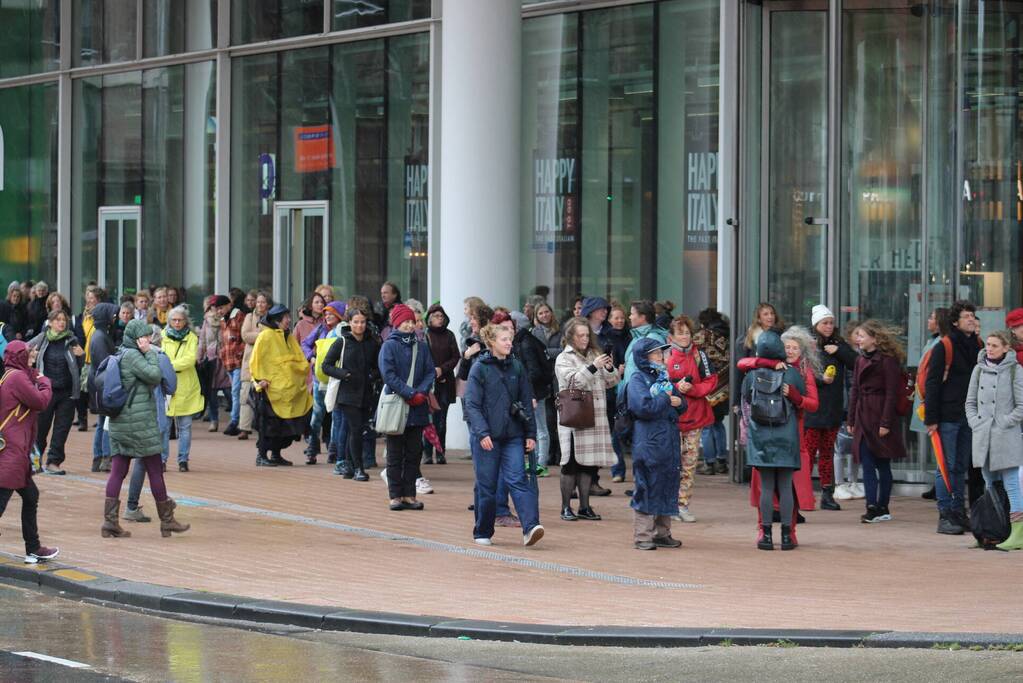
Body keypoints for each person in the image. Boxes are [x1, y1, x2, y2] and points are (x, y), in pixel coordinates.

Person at [102, 319, 190, 539]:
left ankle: (110, 523)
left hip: (122, 422)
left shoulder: (123, 352)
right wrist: (149, 352)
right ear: (137, 338)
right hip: (139, 424)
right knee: (154, 470)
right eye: (146, 336)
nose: (150, 340)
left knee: (119, 471)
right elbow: (154, 375)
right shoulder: (133, 355)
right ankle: (167, 521)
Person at [463, 323, 544, 547]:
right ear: (491, 343)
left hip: (513, 435)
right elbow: (472, 405)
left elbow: (526, 402)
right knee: (486, 486)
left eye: (510, 339)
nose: (509, 343)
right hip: (486, 437)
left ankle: (531, 527)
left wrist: (530, 434)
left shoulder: (517, 367)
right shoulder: (479, 368)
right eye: (504, 339)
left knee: (518, 479)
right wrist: (482, 433)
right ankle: (483, 530)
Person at [740, 330, 805, 550]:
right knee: (785, 486)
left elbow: (747, 397)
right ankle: (787, 536)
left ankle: (765, 535)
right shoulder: (792, 373)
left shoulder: (751, 374)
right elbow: (801, 399)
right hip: (786, 434)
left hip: (761, 435)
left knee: (766, 488)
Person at [924, 300, 982, 535]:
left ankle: (959, 512)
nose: (972, 319)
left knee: (959, 466)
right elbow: (933, 383)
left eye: (973, 316)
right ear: (956, 321)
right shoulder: (944, 346)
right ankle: (945, 514)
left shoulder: (977, 344)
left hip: (968, 416)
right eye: (967, 316)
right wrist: (931, 418)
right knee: (945, 467)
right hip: (946, 416)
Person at [555, 317, 621, 521]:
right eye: (580, 335)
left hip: (595, 417)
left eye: (587, 335)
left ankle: (585, 507)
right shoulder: (563, 358)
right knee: (570, 465)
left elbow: (611, 383)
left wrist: (609, 368)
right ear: (570, 337)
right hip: (574, 418)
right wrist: (593, 366)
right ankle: (566, 507)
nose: (584, 339)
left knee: (588, 465)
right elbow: (573, 383)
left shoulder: (594, 353)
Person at [0, 340, 59, 563]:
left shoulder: (12, 374)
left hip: (15, 449)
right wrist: (45, 381)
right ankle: (33, 548)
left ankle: (33, 548)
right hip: (12, 451)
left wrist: (33, 373)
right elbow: (40, 401)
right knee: (2, 498)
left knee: (30, 495)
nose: (33, 355)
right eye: (29, 352)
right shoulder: (16, 378)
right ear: (19, 356)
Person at [966, 330, 1023, 550]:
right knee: (989, 484)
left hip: (1005, 436)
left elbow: (1021, 405)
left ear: (1006, 348)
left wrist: (1005, 422)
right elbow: (969, 402)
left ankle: (1017, 532)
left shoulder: (1015, 372)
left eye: (995, 345)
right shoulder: (978, 370)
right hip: (983, 436)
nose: (989, 348)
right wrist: (975, 422)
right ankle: (990, 530)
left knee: (1010, 484)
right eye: (988, 344)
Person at [626, 337, 684, 550]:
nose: (661, 357)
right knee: (647, 484)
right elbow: (642, 407)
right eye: (656, 353)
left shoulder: (663, 377)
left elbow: (678, 403)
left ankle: (662, 532)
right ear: (644, 357)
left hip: (667, 439)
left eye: (662, 353)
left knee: (667, 482)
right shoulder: (638, 379)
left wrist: (679, 402)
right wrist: (667, 399)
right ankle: (643, 536)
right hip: (649, 440)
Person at [848, 320, 908, 524]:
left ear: (874, 339)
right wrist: (851, 419)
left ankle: (882, 505)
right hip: (863, 414)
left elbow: (892, 393)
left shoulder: (887, 361)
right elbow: (854, 389)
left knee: (883, 463)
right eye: (858, 336)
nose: (858, 339)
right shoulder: (859, 360)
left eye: (862, 336)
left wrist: (885, 422)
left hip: (879, 413)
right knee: (867, 462)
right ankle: (872, 506)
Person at [378, 304, 434, 509]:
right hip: (397, 404)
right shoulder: (389, 346)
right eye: (405, 322)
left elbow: (430, 371)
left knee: (414, 452)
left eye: (412, 321)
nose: (410, 325)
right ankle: (395, 495)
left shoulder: (422, 346)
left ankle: (410, 494)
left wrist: (421, 392)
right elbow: (388, 374)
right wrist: (410, 393)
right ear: (396, 324)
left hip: (417, 407)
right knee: (394, 453)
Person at [806, 305, 859, 511]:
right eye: (824, 323)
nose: (828, 327)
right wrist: (821, 380)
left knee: (827, 452)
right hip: (813, 407)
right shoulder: (808, 344)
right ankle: (804, 492)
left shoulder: (838, 343)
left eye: (831, 323)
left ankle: (827, 493)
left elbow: (856, 362)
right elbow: (803, 373)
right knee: (809, 453)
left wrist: (839, 351)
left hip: (833, 407)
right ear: (816, 324)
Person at [665, 315, 717, 523]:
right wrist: (676, 388)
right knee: (671, 463)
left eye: (687, 333)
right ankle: (668, 505)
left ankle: (682, 505)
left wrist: (694, 389)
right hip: (671, 420)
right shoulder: (664, 356)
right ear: (671, 337)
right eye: (680, 333)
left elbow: (711, 381)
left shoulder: (700, 355)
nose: (685, 337)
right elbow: (656, 384)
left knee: (689, 464)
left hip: (695, 418)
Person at [250, 304, 313, 467]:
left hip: (288, 390)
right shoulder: (266, 336)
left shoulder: (288, 336)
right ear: (278, 319)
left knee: (284, 426)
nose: (289, 320)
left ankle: (276, 454)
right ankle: (262, 455)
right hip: (271, 389)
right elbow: (256, 361)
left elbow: (298, 357)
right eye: (286, 317)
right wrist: (258, 381)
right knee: (269, 425)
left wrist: (302, 369)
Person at [323, 307, 378, 481]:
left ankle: (348, 465)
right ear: (349, 323)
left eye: (362, 322)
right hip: (347, 394)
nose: (360, 325)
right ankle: (358, 468)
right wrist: (344, 374)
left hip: (366, 393)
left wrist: (372, 376)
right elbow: (326, 365)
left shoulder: (372, 343)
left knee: (356, 429)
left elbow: (380, 367)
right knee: (355, 429)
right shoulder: (342, 342)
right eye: (356, 322)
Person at [28, 310, 84, 475]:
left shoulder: (71, 340)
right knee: (40, 428)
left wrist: (81, 355)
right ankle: (34, 461)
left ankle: (54, 462)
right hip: (45, 392)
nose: (61, 323)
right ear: (50, 322)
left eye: (64, 320)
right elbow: (22, 351)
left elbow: (79, 363)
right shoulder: (42, 338)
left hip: (67, 392)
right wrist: (32, 358)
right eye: (58, 320)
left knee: (62, 429)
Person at [910, 307, 949, 501]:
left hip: (931, 399)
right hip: (924, 397)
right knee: (936, 446)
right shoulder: (933, 341)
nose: (928, 320)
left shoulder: (941, 343)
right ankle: (937, 481)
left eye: (932, 317)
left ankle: (940, 483)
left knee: (939, 445)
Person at [301, 300, 345, 464]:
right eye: (325, 313)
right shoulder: (320, 328)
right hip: (320, 378)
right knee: (317, 415)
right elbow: (305, 343)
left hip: (335, 379)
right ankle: (312, 448)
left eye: (330, 313)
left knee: (335, 416)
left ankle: (333, 450)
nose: (326, 316)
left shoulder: (343, 330)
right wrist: (311, 357)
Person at [162, 306, 201, 472]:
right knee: (163, 427)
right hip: (166, 386)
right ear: (169, 321)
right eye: (174, 320)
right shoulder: (162, 337)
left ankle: (183, 460)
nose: (177, 323)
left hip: (186, 387)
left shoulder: (192, 337)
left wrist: (169, 365)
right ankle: (162, 460)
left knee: (185, 427)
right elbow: (158, 357)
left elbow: (190, 359)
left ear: (186, 321)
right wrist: (170, 367)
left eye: (180, 320)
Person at [693, 308, 730, 476]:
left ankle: (709, 463)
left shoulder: (701, 336)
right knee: (718, 423)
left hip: (707, 387)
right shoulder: (727, 334)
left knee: (706, 426)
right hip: (724, 386)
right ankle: (722, 461)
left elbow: (694, 359)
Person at [424, 303, 459, 465]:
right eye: (436, 316)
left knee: (441, 420)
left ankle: (440, 452)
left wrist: (442, 370)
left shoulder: (450, 335)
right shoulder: (425, 335)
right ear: (429, 319)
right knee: (427, 419)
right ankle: (427, 454)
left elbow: (455, 357)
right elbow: (423, 357)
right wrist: (433, 372)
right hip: (429, 383)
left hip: (446, 382)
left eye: (441, 316)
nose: (439, 319)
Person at [87, 302, 119, 472]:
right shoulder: (100, 336)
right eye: (112, 314)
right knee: (105, 422)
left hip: (98, 381)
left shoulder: (100, 334)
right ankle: (104, 457)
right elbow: (104, 362)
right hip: (101, 383)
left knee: (102, 421)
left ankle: (99, 457)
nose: (114, 317)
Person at [617, 300, 668, 402]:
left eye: (632, 314)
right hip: (633, 395)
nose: (630, 317)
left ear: (643, 317)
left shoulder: (653, 339)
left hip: (643, 397)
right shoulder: (637, 337)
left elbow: (659, 371)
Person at [238, 291, 271, 441]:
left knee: (266, 396)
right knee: (245, 395)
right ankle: (244, 428)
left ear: (268, 304)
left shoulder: (272, 318)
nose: (260, 305)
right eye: (258, 302)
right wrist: (263, 335)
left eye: (263, 302)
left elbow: (275, 336)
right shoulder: (249, 317)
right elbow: (245, 335)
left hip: (267, 362)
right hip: (249, 361)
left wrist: (256, 335)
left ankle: (264, 427)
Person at [197, 295, 232, 432]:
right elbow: (202, 340)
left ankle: (237, 418)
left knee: (229, 390)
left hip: (225, 358)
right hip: (211, 359)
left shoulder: (227, 319)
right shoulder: (207, 321)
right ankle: (214, 420)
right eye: (214, 307)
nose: (216, 310)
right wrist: (199, 357)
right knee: (211, 391)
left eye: (218, 307)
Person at [219, 291, 247, 436]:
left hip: (238, 360)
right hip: (228, 361)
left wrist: (240, 352)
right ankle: (238, 420)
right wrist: (222, 353)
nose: (218, 311)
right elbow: (223, 340)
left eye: (221, 307)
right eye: (216, 309)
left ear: (229, 305)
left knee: (236, 392)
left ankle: (234, 421)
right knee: (235, 391)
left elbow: (244, 337)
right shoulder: (222, 320)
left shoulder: (238, 315)